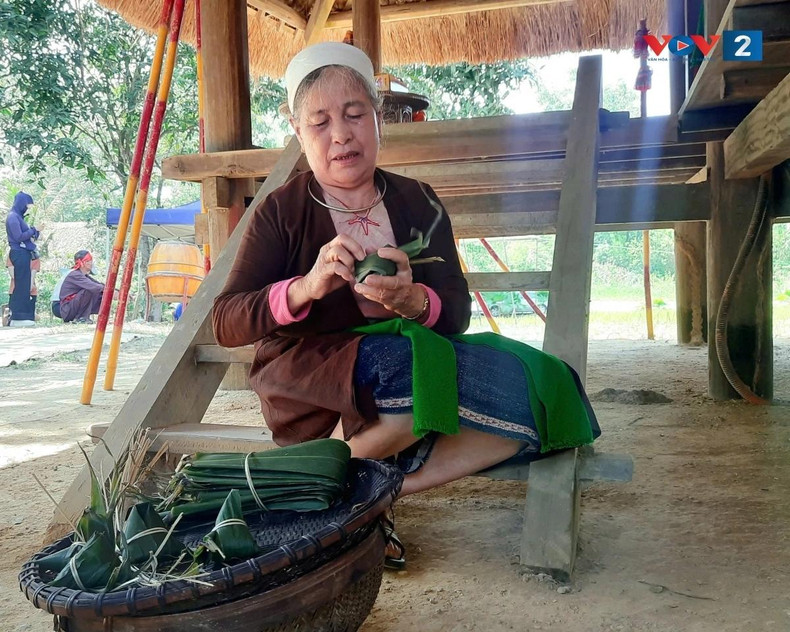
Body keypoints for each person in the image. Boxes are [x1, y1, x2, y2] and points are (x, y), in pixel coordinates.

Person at [212, 42, 599, 568]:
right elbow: (227, 320)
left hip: (413, 352)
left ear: (378, 122)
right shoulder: (280, 211)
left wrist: (415, 300)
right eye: (320, 122)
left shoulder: (419, 199)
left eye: (355, 115)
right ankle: (301, 492)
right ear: (299, 133)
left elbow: (456, 312)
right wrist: (305, 287)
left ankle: (358, 500)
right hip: (310, 363)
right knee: (414, 379)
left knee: (540, 386)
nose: (341, 134)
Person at [5, 191, 40, 326]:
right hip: (18, 253)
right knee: (20, 285)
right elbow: (19, 236)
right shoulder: (13, 217)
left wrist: (36, 231)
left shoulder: (19, 217)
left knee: (25, 285)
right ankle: (18, 317)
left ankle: (25, 316)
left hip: (24, 253)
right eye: (27, 206)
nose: (27, 209)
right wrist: (33, 229)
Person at [59, 251, 106, 324]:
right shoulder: (75, 274)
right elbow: (94, 287)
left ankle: (89, 317)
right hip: (67, 309)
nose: (91, 263)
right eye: (88, 261)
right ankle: (81, 318)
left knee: (101, 292)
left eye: (91, 261)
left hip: (72, 306)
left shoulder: (84, 276)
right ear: (81, 263)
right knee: (90, 290)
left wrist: (118, 292)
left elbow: (100, 285)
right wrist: (110, 291)